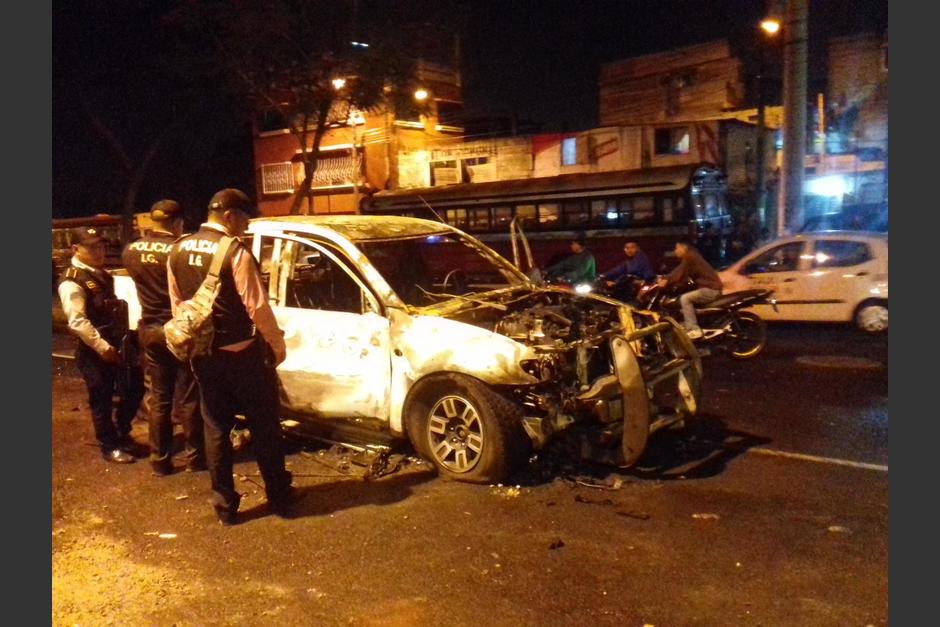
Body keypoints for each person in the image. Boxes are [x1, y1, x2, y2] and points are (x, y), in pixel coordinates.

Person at [168, 188, 295, 525]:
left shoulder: (177, 249)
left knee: (215, 428)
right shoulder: (235, 252)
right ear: (228, 216)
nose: (247, 222)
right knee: (265, 426)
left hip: (204, 356)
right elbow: (256, 306)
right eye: (243, 216)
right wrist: (277, 343)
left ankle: (225, 507)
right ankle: (279, 498)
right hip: (243, 355)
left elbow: (178, 305)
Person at [122, 199, 205, 476]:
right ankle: (195, 458)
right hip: (178, 330)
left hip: (150, 329)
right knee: (190, 396)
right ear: (177, 222)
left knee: (160, 397)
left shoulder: (131, 250)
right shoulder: (180, 250)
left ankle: (160, 460)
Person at [58, 227, 144, 463]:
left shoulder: (100, 274)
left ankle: (122, 433)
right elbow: (77, 322)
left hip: (118, 342)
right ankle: (109, 446)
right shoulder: (73, 282)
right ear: (76, 249)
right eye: (92, 247)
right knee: (101, 397)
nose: (99, 251)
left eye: (101, 245)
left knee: (134, 387)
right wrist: (102, 347)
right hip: (94, 350)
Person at [657, 239, 723, 339]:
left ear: (684, 248)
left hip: (711, 289)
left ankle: (694, 329)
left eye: (677, 248)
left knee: (685, 298)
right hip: (708, 288)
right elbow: (684, 276)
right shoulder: (693, 256)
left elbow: (680, 271)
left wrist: (666, 280)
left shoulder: (690, 256)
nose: (675, 251)